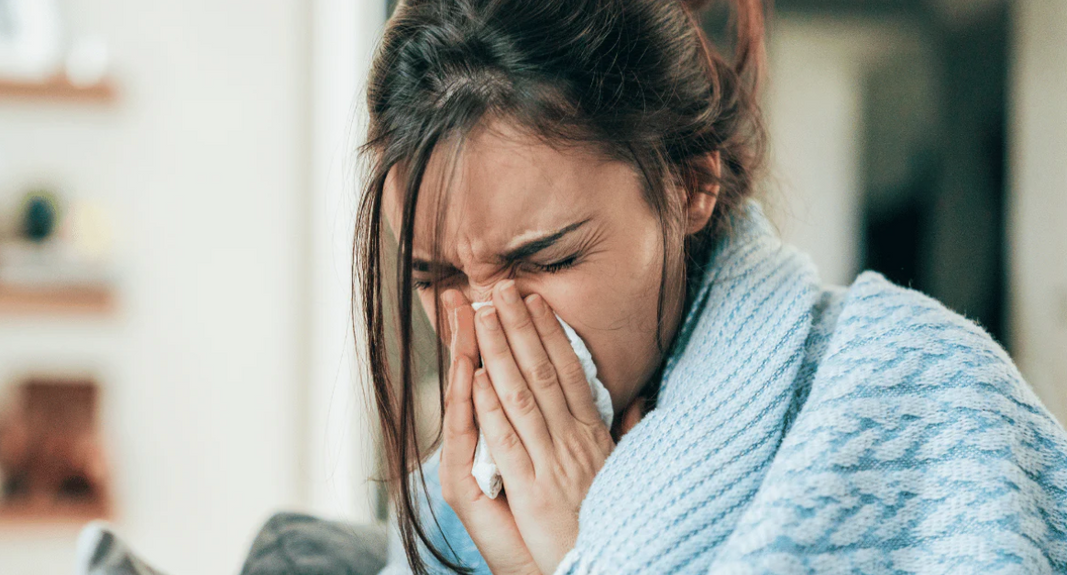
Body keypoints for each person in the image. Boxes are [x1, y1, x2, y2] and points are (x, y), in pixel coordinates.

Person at [355, 1, 1067, 574]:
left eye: (547, 261)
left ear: (692, 180)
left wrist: (595, 548)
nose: (488, 326)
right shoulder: (452, 504)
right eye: (438, 277)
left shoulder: (924, 395)